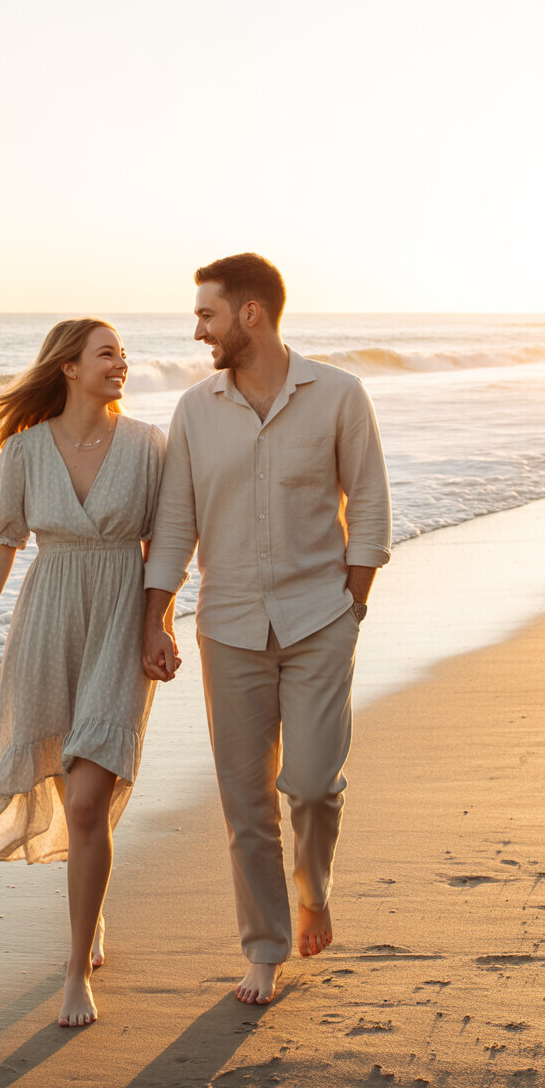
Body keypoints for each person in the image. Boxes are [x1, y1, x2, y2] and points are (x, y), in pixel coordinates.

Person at [142, 253, 391, 1006]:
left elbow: (371, 502)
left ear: (251, 315)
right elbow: (176, 519)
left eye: (207, 315)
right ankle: (265, 946)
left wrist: (353, 602)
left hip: (320, 621)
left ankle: (313, 889)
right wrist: (157, 613)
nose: (197, 331)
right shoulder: (194, 411)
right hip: (228, 627)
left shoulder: (339, 395)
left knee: (313, 787)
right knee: (245, 801)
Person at [0, 318, 165, 1028]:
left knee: (86, 801)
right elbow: (0, 548)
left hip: (118, 626)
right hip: (47, 625)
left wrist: (158, 622)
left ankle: (76, 972)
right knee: (70, 789)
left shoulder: (148, 446)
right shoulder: (26, 451)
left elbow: (169, 544)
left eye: (124, 355)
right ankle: (88, 918)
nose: (121, 364)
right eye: (107, 354)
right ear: (68, 367)